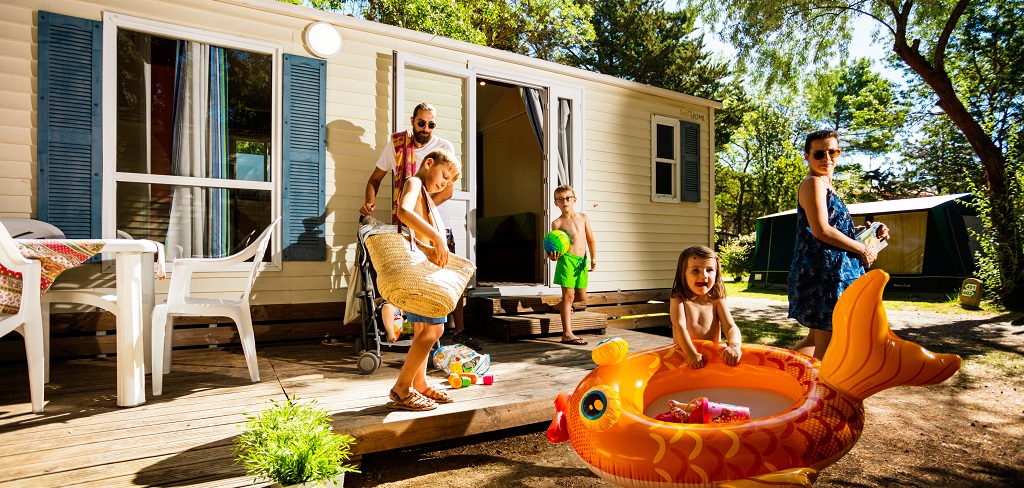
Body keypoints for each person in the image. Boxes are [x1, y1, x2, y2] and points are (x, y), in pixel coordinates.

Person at [359, 103, 481, 350]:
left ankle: (458, 332)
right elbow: (375, 179)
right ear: (413, 121)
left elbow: (447, 192)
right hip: (411, 229)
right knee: (417, 282)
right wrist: (369, 202)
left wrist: (425, 213)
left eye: (431, 124)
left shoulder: (443, 149)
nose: (426, 129)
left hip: (436, 224)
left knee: (447, 280)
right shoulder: (397, 148)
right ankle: (419, 341)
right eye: (421, 123)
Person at [788, 130, 890, 360]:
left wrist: (870, 232)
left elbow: (838, 231)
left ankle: (779, 374)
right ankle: (820, 392)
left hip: (829, 272)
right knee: (829, 342)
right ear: (807, 156)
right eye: (819, 154)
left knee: (815, 339)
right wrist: (863, 249)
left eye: (832, 151)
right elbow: (821, 230)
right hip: (824, 274)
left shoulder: (825, 185)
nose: (827, 158)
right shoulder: (813, 183)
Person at [386, 149, 461, 411]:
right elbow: (403, 212)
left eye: (448, 181)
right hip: (421, 271)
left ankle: (420, 382)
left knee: (421, 329)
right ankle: (401, 387)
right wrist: (439, 239)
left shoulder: (427, 194)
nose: (444, 183)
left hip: (425, 268)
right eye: (443, 175)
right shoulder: (414, 182)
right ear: (428, 163)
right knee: (435, 329)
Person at [669, 245, 743, 369]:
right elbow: (679, 326)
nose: (703, 275)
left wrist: (734, 346)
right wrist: (690, 353)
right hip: (685, 358)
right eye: (695, 270)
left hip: (712, 359)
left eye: (709, 270)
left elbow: (730, 327)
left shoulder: (716, 300)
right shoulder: (679, 299)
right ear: (683, 274)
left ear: (717, 273)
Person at [546, 185, 597, 345]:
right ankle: (567, 333)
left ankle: (559, 307)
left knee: (580, 297)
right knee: (569, 296)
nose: (565, 201)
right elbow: (553, 245)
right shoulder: (557, 223)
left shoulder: (583, 217)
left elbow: (590, 239)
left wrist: (593, 257)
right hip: (566, 260)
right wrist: (552, 257)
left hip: (581, 261)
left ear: (574, 200)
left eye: (568, 198)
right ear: (556, 203)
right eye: (560, 199)